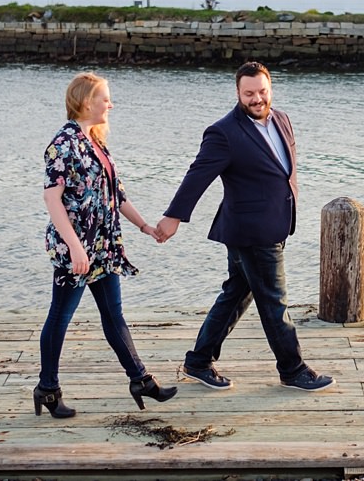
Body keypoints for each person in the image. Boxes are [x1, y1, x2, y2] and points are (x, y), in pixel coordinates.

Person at [156, 61, 334, 392]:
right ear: (238, 93)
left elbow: (283, 172)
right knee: (274, 301)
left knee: (237, 293)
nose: (257, 99)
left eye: (262, 91)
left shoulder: (281, 119)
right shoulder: (224, 132)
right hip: (252, 231)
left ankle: (198, 360)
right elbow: (198, 174)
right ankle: (293, 369)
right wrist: (174, 216)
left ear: (271, 89)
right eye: (249, 93)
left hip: (272, 223)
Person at [35, 71, 177, 418]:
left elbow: (116, 196)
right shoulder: (63, 143)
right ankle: (48, 389)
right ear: (86, 101)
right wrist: (74, 247)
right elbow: (52, 200)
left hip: (103, 247)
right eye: (105, 98)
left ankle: (140, 380)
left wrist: (145, 226)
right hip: (78, 251)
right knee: (60, 317)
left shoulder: (96, 141)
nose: (110, 104)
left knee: (114, 316)